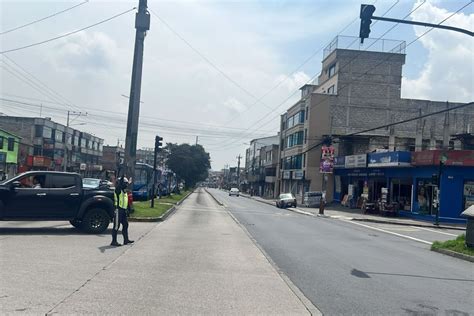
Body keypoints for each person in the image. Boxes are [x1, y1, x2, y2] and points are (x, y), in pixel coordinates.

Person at [111, 176, 134, 247]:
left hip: (123, 210)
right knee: (116, 226)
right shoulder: (118, 190)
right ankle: (114, 241)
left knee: (125, 224)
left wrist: (128, 209)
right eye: (125, 183)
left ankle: (126, 240)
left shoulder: (124, 191)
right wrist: (121, 177)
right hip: (118, 210)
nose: (126, 185)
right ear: (121, 183)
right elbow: (119, 186)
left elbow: (125, 201)